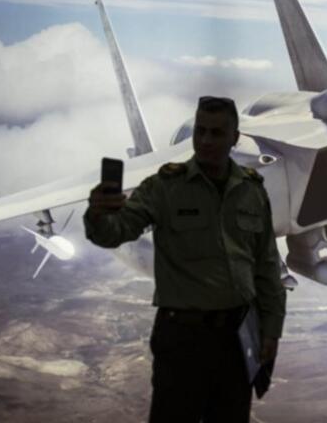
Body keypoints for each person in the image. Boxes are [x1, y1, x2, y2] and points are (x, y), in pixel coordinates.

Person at [83, 96, 286, 423]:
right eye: (200, 131)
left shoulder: (251, 191)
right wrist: (99, 214)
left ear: (235, 138)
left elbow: (266, 265)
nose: (205, 141)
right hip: (182, 340)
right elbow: (115, 232)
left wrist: (271, 331)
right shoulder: (163, 187)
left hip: (236, 341)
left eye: (217, 133)